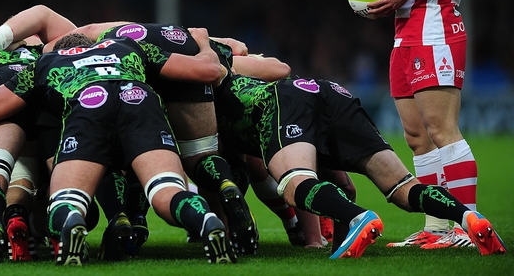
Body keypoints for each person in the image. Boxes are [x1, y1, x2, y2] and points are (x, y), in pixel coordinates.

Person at [0, 31, 238, 265]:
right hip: (139, 101)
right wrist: (203, 44)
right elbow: (209, 72)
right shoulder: (130, 46)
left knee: (67, 200)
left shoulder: (46, 62)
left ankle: (71, 221)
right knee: (166, 190)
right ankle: (206, 220)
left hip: (90, 105)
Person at [213, 71, 506, 258]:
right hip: (330, 92)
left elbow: (257, 169)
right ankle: (469, 219)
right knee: (403, 187)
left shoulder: (211, 97)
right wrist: (341, 242)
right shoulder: (233, 74)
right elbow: (345, 187)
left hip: (284, 101)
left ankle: (360, 217)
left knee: (292, 184)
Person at [370, 0, 479, 249]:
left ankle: (468, 228)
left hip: (435, 32)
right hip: (405, 35)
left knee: (441, 129)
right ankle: (437, 228)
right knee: (417, 137)